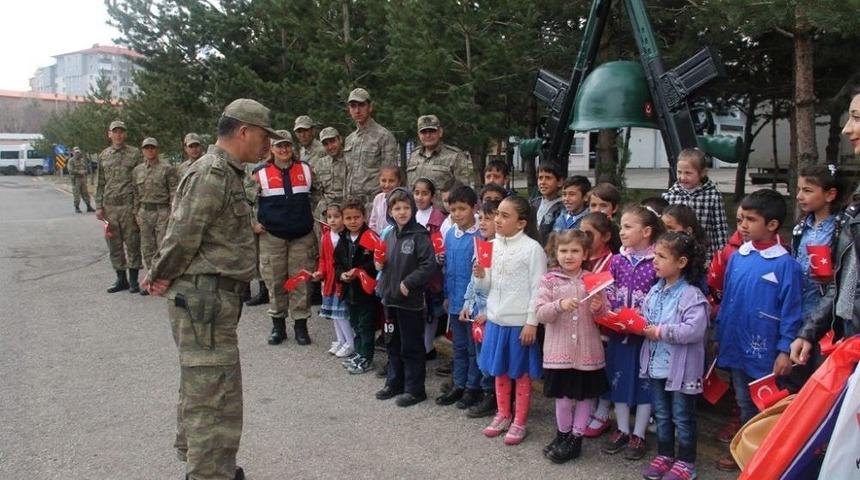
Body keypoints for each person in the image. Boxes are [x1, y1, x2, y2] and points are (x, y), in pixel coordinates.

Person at [142, 98, 280, 480]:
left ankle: (211, 466)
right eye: (264, 135)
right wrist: (159, 273)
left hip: (214, 298)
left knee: (207, 386)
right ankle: (208, 473)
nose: (267, 144)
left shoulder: (229, 172)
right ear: (244, 131)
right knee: (213, 395)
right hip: (204, 298)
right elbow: (182, 233)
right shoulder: (212, 173)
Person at [714, 189, 802, 472]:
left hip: (766, 352)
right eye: (741, 219)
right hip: (736, 345)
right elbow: (728, 299)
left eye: (751, 220)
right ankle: (744, 451)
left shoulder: (786, 264)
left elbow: (792, 312)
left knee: (767, 405)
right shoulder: (738, 256)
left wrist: (785, 350)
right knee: (742, 399)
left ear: (772, 224)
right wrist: (719, 335)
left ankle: (765, 458)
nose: (743, 225)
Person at [790, 92, 860, 372]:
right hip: (845, 335)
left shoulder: (839, 223)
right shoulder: (853, 209)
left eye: (856, 118)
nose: (846, 129)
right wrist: (809, 332)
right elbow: (845, 284)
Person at [474, 195, 547, 445]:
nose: (498, 219)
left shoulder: (532, 249)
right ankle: (503, 414)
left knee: (521, 374)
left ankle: (520, 421)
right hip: (496, 320)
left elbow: (538, 289)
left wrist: (531, 322)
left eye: (505, 216)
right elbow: (485, 288)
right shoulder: (491, 245)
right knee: (500, 372)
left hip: (519, 325)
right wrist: (480, 276)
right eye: (498, 214)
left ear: (521, 223)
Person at [638, 232, 709, 480]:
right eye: (654, 255)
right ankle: (665, 454)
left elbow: (694, 330)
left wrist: (660, 331)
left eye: (661, 256)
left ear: (681, 262)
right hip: (657, 365)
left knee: (683, 416)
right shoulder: (655, 291)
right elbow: (645, 317)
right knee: (662, 414)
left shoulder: (692, 295)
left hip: (682, 371)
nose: (654, 261)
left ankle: (687, 462)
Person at [595, 204, 664, 460]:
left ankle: (639, 434)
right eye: (621, 226)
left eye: (627, 227)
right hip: (618, 332)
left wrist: (644, 316)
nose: (621, 232)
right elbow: (608, 289)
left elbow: (661, 294)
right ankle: (622, 429)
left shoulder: (656, 261)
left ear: (646, 231)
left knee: (645, 383)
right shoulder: (617, 259)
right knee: (619, 379)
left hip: (645, 335)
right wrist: (611, 309)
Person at [535, 229, 610, 464]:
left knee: (585, 397)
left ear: (585, 254)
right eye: (564, 250)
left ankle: (576, 440)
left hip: (587, 352)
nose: (569, 255)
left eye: (575, 251)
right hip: (559, 353)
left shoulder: (592, 280)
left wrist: (598, 307)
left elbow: (604, 314)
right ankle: (563, 435)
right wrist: (559, 305)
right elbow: (540, 313)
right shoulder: (549, 280)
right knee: (564, 399)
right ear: (555, 253)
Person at [375, 188, 437, 406]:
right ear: (390, 211)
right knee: (392, 343)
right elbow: (384, 261)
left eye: (406, 207)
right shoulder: (389, 234)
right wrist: (379, 265)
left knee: (411, 346)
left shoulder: (419, 235)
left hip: (410, 302)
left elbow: (429, 265)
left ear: (412, 209)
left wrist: (408, 283)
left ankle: (415, 389)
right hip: (389, 299)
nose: (402, 212)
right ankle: (395, 382)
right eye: (397, 208)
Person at [253, 130, 316, 346]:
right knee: (275, 281)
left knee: (300, 282)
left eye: (287, 145)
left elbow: (320, 195)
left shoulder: (306, 169)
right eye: (279, 146)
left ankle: (301, 326)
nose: (283, 149)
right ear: (271, 149)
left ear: (292, 147)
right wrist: (253, 223)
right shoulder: (260, 173)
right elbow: (244, 201)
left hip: (302, 236)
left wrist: (319, 216)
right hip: (272, 236)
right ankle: (278, 326)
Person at [435, 186, 484, 409]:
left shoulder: (479, 236)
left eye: (462, 209)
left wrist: (472, 301)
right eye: (453, 209)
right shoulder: (450, 235)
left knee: (473, 349)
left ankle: (473, 387)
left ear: (474, 208)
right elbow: (448, 270)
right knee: (459, 346)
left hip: (472, 304)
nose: (457, 214)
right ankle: (459, 383)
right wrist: (446, 295)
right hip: (454, 300)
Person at [460, 200, 501, 419]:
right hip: (477, 312)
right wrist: (467, 304)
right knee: (481, 357)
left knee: (491, 358)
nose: (483, 223)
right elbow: (473, 279)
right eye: (481, 218)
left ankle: (495, 397)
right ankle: (487, 393)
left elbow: (501, 287)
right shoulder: (481, 246)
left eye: (488, 218)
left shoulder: (501, 250)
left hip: (492, 314)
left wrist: (490, 312)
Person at [95, 120, 143, 294]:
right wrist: (98, 206)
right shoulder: (103, 155)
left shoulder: (135, 154)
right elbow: (100, 182)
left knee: (133, 243)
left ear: (125, 134)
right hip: (110, 208)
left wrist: (138, 207)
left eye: (121, 131)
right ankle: (121, 279)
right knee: (113, 244)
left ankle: (134, 280)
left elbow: (140, 180)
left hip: (128, 206)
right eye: (115, 131)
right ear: (109, 134)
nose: (118, 135)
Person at [334, 198, 380, 374]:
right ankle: (359, 353)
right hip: (349, 291)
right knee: (355, 323)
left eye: (357, 217)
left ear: (364, 217)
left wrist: (359, 270)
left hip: (366, 292)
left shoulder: (370, 237)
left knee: (365, 325)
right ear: (343, 219)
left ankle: (366, 357)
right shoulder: (343, 238)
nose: (353, 221)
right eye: (348, 218)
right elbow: (337, 263)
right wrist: (341, 275)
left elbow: (376, 262)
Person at [662, 148, 729, 259]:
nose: (682, 177)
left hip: (704, 255)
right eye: (679, 172)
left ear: (702, 173)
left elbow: (720, 229)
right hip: (676, 254)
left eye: (688, 173)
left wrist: (721, 256)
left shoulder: (712, 196)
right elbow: (663, 229)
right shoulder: (670, 196)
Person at [132, 137, 178, 296]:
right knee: (147, 248)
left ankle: (164, 280)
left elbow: (174, 192)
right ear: (142, 151)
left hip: (162, 211)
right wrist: (136, 212)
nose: (149, 150)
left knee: (162, 247)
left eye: (152, 148)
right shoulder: (137, 170)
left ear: (157, 150)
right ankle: (150, 280)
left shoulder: (167, 169)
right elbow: (135, 194)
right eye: (146, 148)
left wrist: (173, 213)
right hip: (144, 212)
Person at [343, 87, 399, 210]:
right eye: (353, 106)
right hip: (352, 205)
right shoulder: (349, 140)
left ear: (370, 107)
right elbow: (347, 175)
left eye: (361, 105)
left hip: (374, 204)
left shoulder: (384, 136)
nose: (357, 110)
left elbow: (391, 177)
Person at [313, 202, 355, 358]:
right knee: (334, 315)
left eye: (336, 217)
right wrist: (320, 272)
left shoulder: (347, 237)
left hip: (341, 281)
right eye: (329, 217)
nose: (332, 220)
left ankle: (350, 343)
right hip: (329, 281)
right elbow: (323, 259)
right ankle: (341, 340)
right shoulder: (326, 237)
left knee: (342, 315)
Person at [411, 177, 446, 358]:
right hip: (414, 270)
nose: (420, 197)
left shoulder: (439, 219)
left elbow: (441, 244)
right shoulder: (411, 215)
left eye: (424, 193)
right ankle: (420, 344)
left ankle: (427, 347)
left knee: (432, 310)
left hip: (433, 273)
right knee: (418, 310)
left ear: (432, 196)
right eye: (417, 193)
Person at [406, 114, 473, 194]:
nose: (428, 135)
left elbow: (464, 190)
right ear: (418, 134)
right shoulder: (413, 155)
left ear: (440, 132)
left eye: (432, 131)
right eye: (423, 132)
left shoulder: (455, 156)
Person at [311, 127, 348, 224]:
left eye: (332, 141)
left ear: (340, 140)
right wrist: (324, 208)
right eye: (326, 144)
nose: (330, 146)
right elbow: (317, 191)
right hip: (326, 211)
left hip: (347, 210)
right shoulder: (320, 164)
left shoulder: (350, 160)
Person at [530, 163, 564, 245]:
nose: (543, 182)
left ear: (559, 182)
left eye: (548, 178)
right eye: (540, 178)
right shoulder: (533, 203)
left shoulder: (563, 207)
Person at [368, 165, 402, 235]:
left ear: (399, 182)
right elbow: (373, 223)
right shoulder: (378, 198)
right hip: (378, 239)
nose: (387, 185)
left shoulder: (402, 200)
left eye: (391, 181)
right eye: (383, 180)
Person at [68, 146, 95, 213]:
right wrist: (79, 172)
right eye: (76, 152)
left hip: (83, 179)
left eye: (78, 152)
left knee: (85, 193)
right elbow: (70, 170)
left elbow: (86, 168)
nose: (77, 154)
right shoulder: (71, 161)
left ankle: (88, 206)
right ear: (73, 152)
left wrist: (85, 171)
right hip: (76, 180)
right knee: (76, 194)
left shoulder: (82, 160)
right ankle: (77, 207)